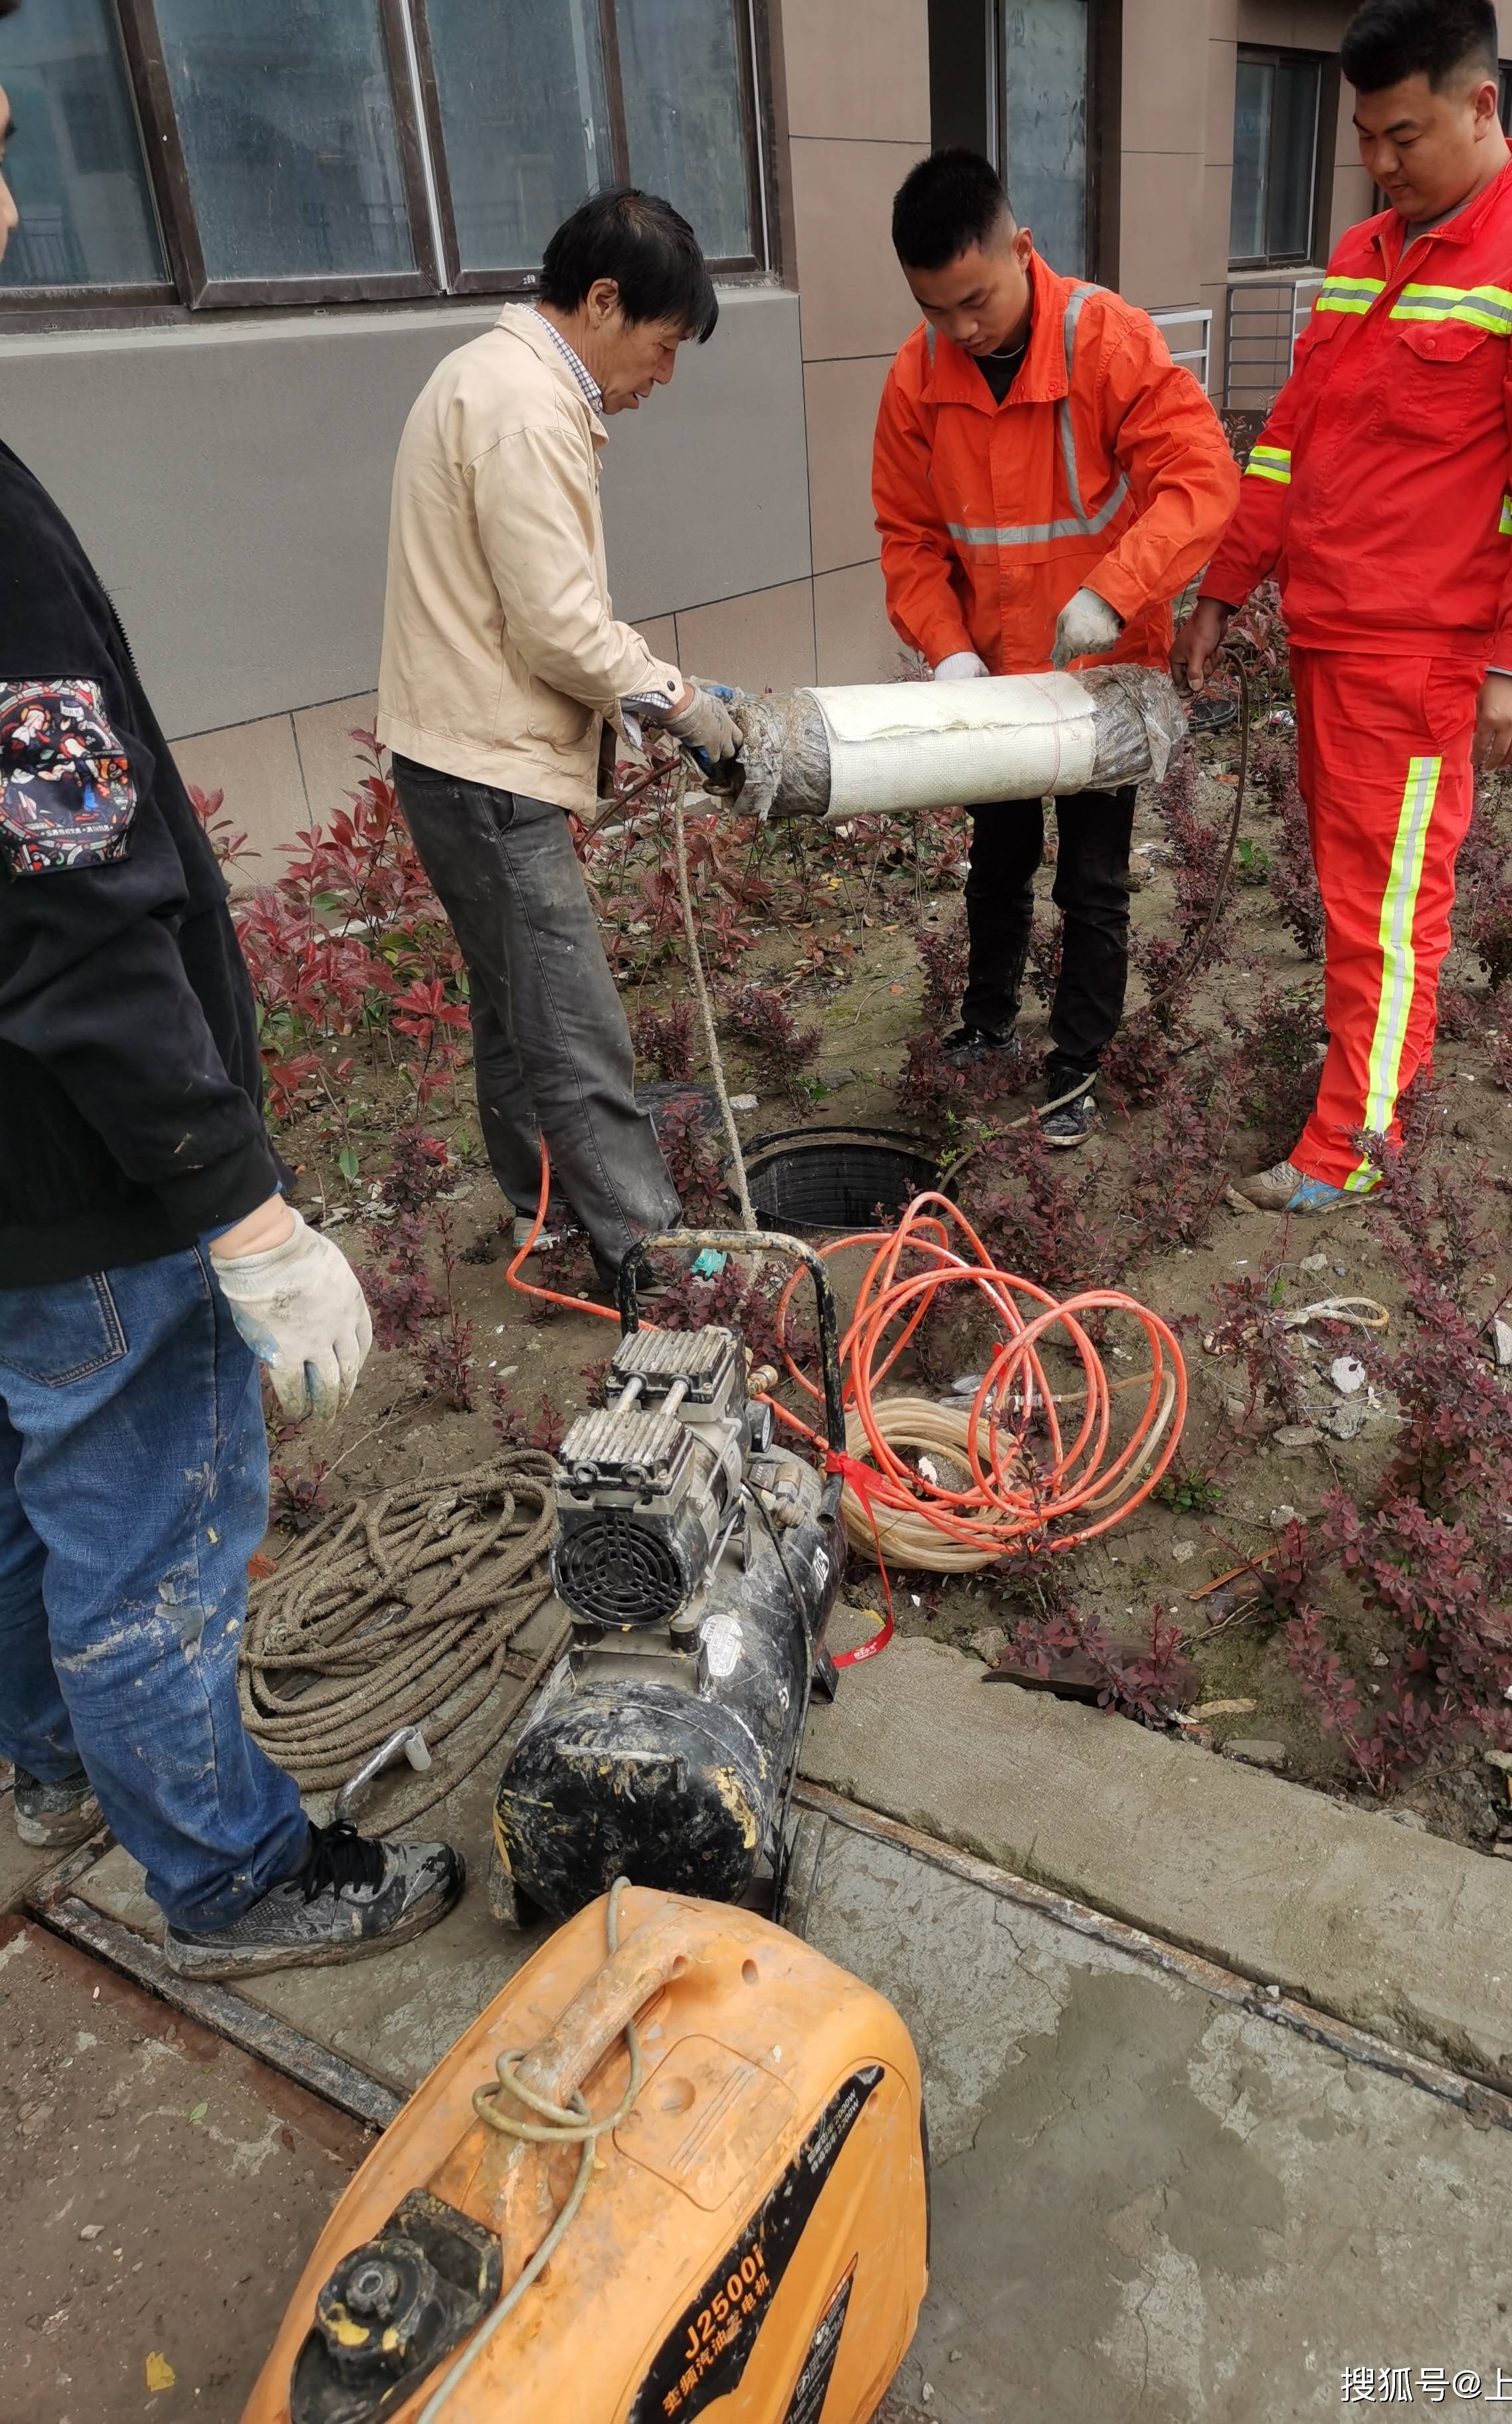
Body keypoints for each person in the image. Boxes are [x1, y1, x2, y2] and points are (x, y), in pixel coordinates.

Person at [0, 80, 462, 1980]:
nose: (20, 212)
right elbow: (74, 909)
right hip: (82, 1166)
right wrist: (242, 1209)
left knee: (35, 1494)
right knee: (157, 1535)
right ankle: (230, 1876)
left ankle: (47, 1768)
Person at [1173, 0, 1512, 1213]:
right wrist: (1227, 584)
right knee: (1352, 890)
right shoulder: (1369, 253)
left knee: (1384, 901)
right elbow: (1288, 444)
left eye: (1404, 136)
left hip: (1425, 661)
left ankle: (1352, 1147)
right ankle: (1361, 1092)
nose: (1379, 164)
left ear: (1485, 104)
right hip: (1332, 639)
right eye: (1365, 137)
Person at [379, 187, 740, 1276]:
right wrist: (681, 702)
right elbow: (561, 628)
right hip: (487, 775)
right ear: (600, 301)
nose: (663, 377)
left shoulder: (486, 380)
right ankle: (653, 1258)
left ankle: (549, 1217)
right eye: (664, 346)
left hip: (456, 758)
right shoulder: (526, 408)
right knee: (575, 1025)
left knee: (514, 1006)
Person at [874, 150, 1240, 1146]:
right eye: (935, 309)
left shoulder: (1107, 341)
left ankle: (1077, 1064)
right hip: (992, 679)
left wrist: (1113, 596)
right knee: (995, 864)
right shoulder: (918, 379)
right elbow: (909, 539)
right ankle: (986, 1026)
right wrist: (947, 652)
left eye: (975, 301)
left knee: (1092, 877)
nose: (960, 330)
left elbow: (1200, 480)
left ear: (1020, 249)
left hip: (1100, 677)